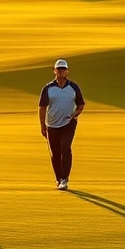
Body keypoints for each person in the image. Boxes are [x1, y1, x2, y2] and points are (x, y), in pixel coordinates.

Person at [38, 59, 85, 190]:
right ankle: (58, 179)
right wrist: (42, 126)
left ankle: (64, 178)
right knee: (55, 153)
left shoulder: (73, 87)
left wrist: (74, 114)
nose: (61, 71)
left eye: (63, 69)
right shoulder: (48, 88)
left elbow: (81, 104)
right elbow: (42, 107)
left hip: (68, 122)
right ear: (55, 71)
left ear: (67, 71)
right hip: (52, 124)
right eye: (59, 69)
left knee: (66, 147)